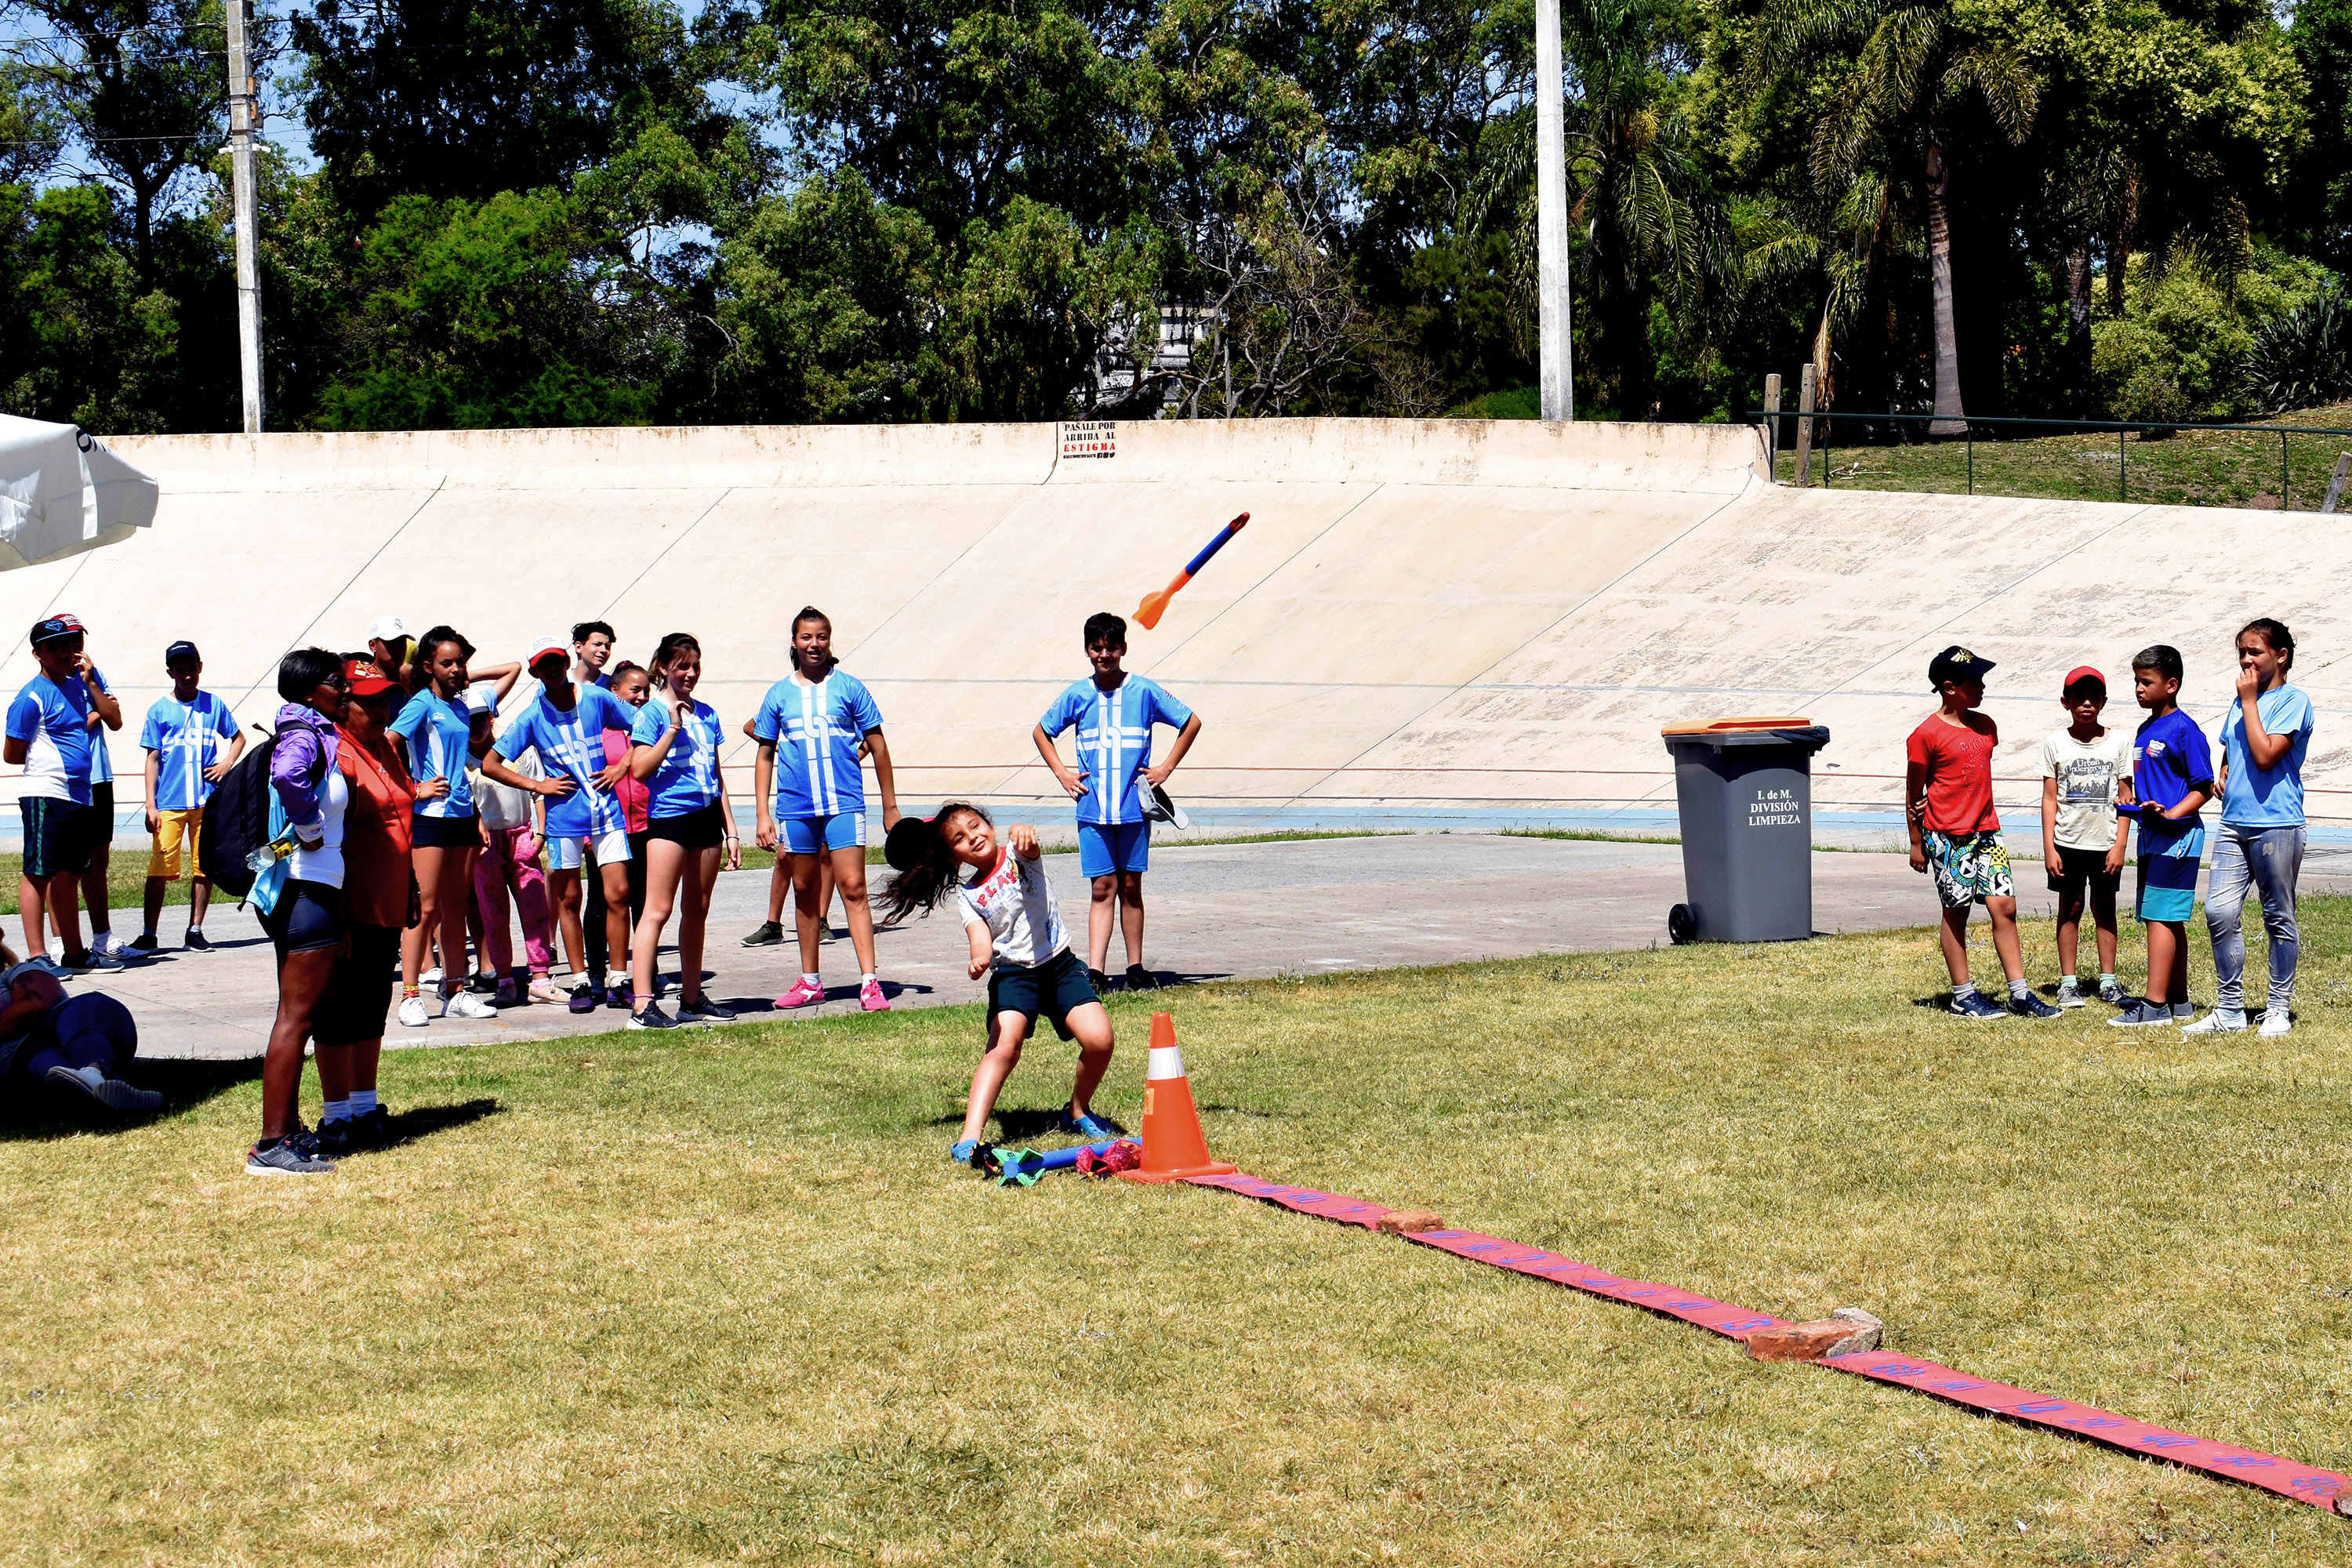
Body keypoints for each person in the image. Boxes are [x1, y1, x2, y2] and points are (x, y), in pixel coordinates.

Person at [877, 803, 1124, 1163]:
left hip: (1060, 966)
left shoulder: (1019, 856)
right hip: (1013, 974)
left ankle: (1077, 1111)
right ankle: (969, 1138)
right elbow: (979, 935)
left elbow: (1029, 844)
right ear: (954, 855)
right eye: (960, 838)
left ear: (989, 825)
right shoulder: (969, 895)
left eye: (975, 826)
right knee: (1004, 1047)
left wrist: (1023, 829)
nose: (972, 837)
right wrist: (979, 957)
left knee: (1100, 1040)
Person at [1033, 611, 1202, 993]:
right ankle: (1095, 971)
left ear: (1123, 649)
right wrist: (1062, 773)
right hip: (1093, 810)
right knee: (1101, 888)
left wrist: (1164, 768)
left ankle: (1136, 968)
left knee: (1130, 887)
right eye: (1097, 648)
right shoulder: (1077, 694)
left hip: (1132, 810)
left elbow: (1191, 721)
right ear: (1088, 650)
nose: (1104, 655)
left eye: (1111, 647)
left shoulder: (1144, 691)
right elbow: (1042, 732)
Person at [753, 607, 900, 1013]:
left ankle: (870, 982)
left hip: (844, 804)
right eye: (806, 638)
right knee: (804, 891)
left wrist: (890, 807)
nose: (814, 645)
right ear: (794, 643)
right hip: (796, 809)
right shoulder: (779, 693)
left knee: (853, 888)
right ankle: (810, 981)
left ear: (829, 641)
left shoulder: (850, 688)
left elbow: (880, 747)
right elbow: (765, 753)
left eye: (821, 637)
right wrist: (764, 814)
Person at [481, 637, 637, 1011]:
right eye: (542, 665)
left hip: (608, 813)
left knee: (618, 894)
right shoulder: (533, 715)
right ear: (534, 672)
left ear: (566, 661)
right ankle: (581, 980)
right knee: (568, 899)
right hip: (564, 819)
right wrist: (538, 786)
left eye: (556, 662)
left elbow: (643, 727)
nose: (551, 669)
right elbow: (491, 763)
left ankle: (617, 977)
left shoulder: (597, 698)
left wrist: (622, 765)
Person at [1905, 645, 2056, 1020]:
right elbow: (1914, 793)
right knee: (1955, 911)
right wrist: (1915, 842)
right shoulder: (1925, 735)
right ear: (1949, 687)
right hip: (1946, 836)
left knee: (2005, 908)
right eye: (1975, 682)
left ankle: (2020, 993)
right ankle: (1962, 995)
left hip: (1987, 831)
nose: (1983, 687)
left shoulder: (1986, 725)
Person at [249, 648, 351, 1175]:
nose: (347, 688)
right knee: (297, 1017)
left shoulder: (307, 729)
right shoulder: (303, 734)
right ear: (310, 689)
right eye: (337, 681)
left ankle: (287, 1131)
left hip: (306, 888)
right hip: (304, 889)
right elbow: (290, 777)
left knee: (295, 1015)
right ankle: (271, 1145)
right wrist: (310, 828)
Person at [2185, 619, 2313, 1037]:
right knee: (2218, 911)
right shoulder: (2241, 702)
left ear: (2281, 656)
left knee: (2278, 915)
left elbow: (2264, 756)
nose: (2246, 660)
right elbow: (2234, 746)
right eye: (2241, 651)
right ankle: (2230, 1009)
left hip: (2277, 824)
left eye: (2255, 651)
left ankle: (2278, 1008)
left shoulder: (2293, 701)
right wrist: (2223, 772)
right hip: (2234, 822)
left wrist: (2250, 701)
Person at [314, 655, 419, 1154]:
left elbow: (398, 822)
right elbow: (325, 837)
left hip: (386, 903)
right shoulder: (337, 753)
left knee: (372, 1006)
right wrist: (335, 912)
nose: (381, 711)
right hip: (348, 905)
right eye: (370, 703)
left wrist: (410, 884)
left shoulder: (384, 749)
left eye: (386, 701)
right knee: (339, 1010)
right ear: (344, 704)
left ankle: (363, 1106)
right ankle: (336, 1116)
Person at [625, 633, 741, 1029]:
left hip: (706, 817)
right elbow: (639, 770)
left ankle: (691, 999)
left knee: (698, 910)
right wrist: (672, 729)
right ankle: (643, 1004)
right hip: (670, 820)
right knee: (656, 909)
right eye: (682, 666)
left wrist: (732, 830)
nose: (690, 673)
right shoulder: (652, 714)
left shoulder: (707, 713)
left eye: (695, 665)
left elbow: (716, 774)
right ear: (663, 668)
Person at [391, 625, 499, 1025]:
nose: (456, 669)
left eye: (460, 662)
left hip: (463, 817)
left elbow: (461, 765)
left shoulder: (458, 706)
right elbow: (388, 745)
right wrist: (411, 788)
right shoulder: (420, 703)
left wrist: (478, 815)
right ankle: (410, 993)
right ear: (427, 666)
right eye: (447, 663)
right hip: (429, 819)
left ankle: (457, 988)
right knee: (425, 907)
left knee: (457, 905)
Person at [5, 615, 122, 975]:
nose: (63, 652)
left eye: (69, 645)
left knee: (69, 873)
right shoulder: (30, 697)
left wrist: (90, 680)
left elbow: (111, 719)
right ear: (37, 654)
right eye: (52, 647)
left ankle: (75, 953)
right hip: (45, 792)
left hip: (78, 795)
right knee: (38, 873)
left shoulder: (78, 686)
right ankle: (38, 957)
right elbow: (12, 754)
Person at [2111, 644, 2216, 1029]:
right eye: (2136, 681)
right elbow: (2152, 784)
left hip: (2179, 836)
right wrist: (2132, 801)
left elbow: (2202, 787)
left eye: (2146, 682)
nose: (2138, 689)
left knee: (2159, 917)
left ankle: (2153, 1007)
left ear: (2171, 685)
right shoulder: (2144, 729)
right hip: (2152, 834)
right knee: (2167, 919)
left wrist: (2172, 813)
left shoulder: (2185, 729)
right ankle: (2178, 1000)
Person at [132, 640, 244, 953]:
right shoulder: (160, 710)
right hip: (169, 802)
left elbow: (238, 738)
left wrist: (226, 764)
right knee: (160, 868)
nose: (186, 675)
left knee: (203, 867)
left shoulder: (214, 705)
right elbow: (152, 758)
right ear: (170, 672)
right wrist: (151, 804)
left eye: (191, 669)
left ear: (200, 668)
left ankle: (195, 929)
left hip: (207, 803)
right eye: (179, 670)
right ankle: (149, 933)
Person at [2038, 666, 2132, 1007]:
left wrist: (2120, 844)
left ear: (2104, 701)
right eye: (2079, 696)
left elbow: (2125, 797)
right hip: (2068, 843)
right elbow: (2050, 799)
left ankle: (2108, 981)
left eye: (2094, 696)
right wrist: (2049, 847)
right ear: (2066, 702)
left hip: (2105, 843)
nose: (2087, 703)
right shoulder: (2055, 744)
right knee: (2071, 907)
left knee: (2104, 908)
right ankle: (2068, 982)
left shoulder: (2119, 742)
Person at [466, 697, 558, 1007]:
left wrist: (540, 835)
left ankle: (541, 976)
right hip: (486, 844)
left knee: (535, 908)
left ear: (492, 717)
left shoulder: (516, 752)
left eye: (479, 719)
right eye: (466, 720)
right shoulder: (462, 760)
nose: (473, 727)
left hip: (521, 836)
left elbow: (538, 791)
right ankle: (504, 979)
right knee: (493, 914)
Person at [0, 960, 160, 1115]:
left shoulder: (14, 973)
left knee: (80, 1013)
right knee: (53, 1069)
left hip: (81, 1025)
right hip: (20, 1055)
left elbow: (40, 999)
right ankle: (103, 1087)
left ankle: (92, 1071)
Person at [584, 661, 652, 1009]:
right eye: (634, 691)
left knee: (641, 900)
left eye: (646, 691)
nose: (641, 697)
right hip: (605, 825)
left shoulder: (647, 728)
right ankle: (596, 972)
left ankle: (643, 970)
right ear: (614, 693)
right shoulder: (599, 728)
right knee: (600, 900)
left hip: (644, 823)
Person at [59, 619, 127, 961]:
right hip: (67, 782)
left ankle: (103, 936)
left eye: (77, 642)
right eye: (67, 642)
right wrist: (94, 714)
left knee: (99, 860)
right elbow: (72, 726)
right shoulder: (51, 684)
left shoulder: (91, 679)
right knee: (65, 865)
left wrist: (92, 684)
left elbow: (114, 718)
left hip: (99, 778)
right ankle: (61, 942)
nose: (73, 650)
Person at [368, 615, 415, 691]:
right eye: (391, 644)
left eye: (402, 643)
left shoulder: (414, 682)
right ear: (373, 646)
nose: (398, 650)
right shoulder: (363, 684)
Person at [572, 620, 616, 689]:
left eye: (607, 647)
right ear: (578, 647)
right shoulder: (559, 681)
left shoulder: (612, 686)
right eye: (597, 644)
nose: (604, 650)